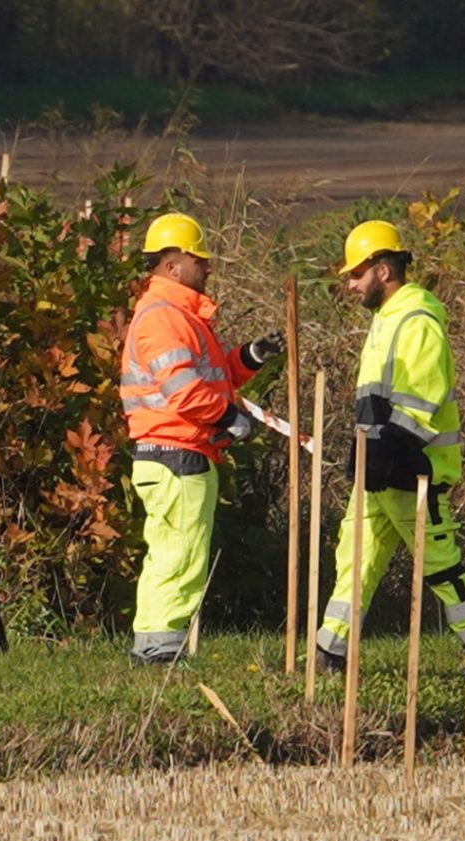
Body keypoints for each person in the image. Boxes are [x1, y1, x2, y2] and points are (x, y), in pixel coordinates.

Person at [314, 220, 465, 680]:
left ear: (383, 270)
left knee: (440, 565)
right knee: (353, 562)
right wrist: (365, 453)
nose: (349, 284)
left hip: (412, 470)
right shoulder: (387, 320)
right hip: (380, 469)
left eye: (355, 274)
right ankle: (330, 654)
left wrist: (385, 451)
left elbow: (421, 398)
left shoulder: (416, 319)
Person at [121, 212, 285, 665]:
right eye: (200, 259)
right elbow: (185, 392)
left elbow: (210, 379)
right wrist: (230, 417)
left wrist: (249, 357)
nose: (208, 267)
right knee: (180, 557)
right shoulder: (164, 318)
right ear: (173, 265)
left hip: (177, 454)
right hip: (177, 455)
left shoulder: (179, 317)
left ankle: (156, 646)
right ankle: (159, 651)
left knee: (174, 554)